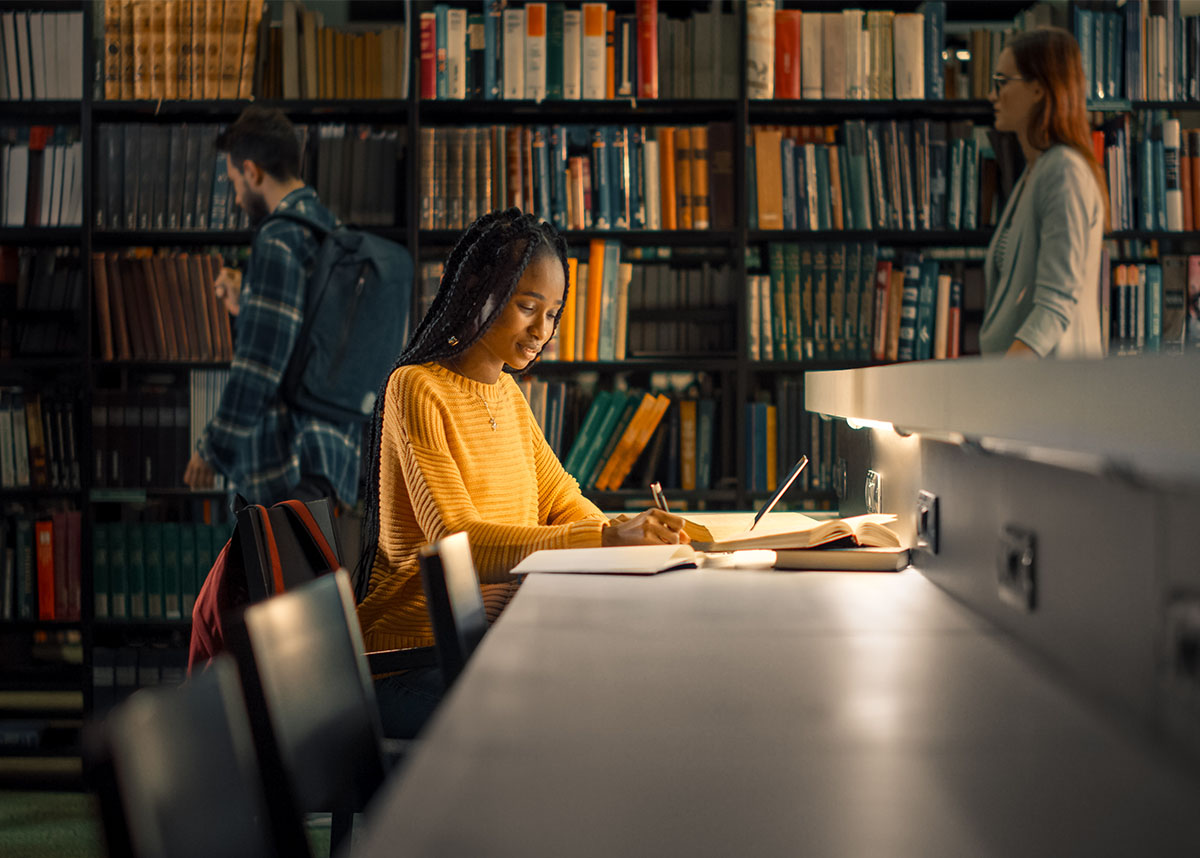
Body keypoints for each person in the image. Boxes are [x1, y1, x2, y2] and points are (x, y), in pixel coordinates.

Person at [355, 208, 688, 738]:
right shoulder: (416, 388)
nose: (542, 331)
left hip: (483, 643)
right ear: (475, 291)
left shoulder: (507, 394)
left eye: (552, 314)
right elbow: (456, 544)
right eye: (527, 307)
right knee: (578, 717)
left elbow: (562, 500)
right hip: (412, 659)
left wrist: (632, 536)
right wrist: (605, 538)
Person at [183, 106, 361, 508]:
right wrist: (247, 305)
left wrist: (212, 449)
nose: (235, 197)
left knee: (277, 553)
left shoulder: (278, 238)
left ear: (252, 171)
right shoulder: (330, 231)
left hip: (287, 462)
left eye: (234, 181)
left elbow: (260, 365)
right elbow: (306, 339)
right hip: (332, 458)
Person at [981, 26, 1109, 358]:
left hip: (1047, 383)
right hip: (1027, 381)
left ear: (1038, 88)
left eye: (1002, 82)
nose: (993, 96)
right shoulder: (1036, 170)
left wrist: (1002, 379)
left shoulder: (1063, 171)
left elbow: (1056, 303)